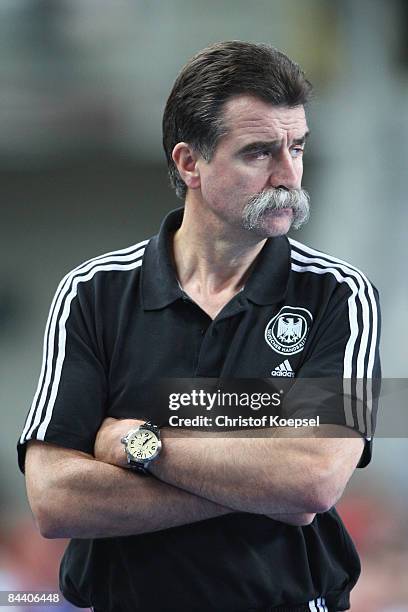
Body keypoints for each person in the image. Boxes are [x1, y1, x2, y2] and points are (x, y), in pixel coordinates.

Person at [18, 41, 381, 612]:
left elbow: (313, 481)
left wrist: (140, 445)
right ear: (190, 162)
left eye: (298, 147)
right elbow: (55, 500)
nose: (289, 175)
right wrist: (262, 486)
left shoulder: (340, 295)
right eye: (259, 152)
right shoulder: (92, 292)